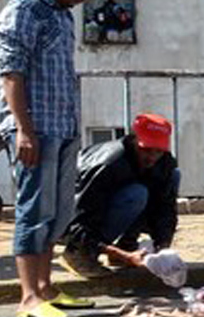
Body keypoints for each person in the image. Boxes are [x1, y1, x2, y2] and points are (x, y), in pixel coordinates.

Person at [0, 0, 105, 317]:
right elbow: (11, 74)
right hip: (35, 128)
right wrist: (24, 130)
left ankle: (45, 287)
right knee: (34, 209)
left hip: (62, 125)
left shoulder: (62, 14)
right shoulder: (24, 10)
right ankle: (28, 296)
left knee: (58, 212)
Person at [61, 114, 181, 279]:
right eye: (146, 150)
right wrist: (123, 255)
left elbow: (165, 209)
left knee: (173, 175)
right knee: (137, 194)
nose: (152, 158)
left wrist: (163, 248)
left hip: (110, 206)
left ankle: (127, 245)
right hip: (69, 217)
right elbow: (81, 220)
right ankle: (79, 253)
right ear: (133, 141)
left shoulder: (164, 163)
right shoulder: (107, 164)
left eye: (158, 151)